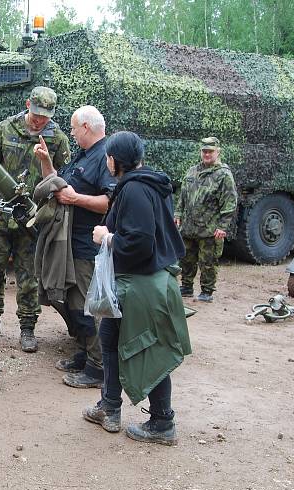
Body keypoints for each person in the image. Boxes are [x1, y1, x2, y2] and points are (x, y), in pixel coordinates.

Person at [84, 131, 190, 446]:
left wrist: (108, 237)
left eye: (108, 157)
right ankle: (110, 408)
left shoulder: (134, 190)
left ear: (115, 160)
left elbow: (140, 241)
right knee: (110, 340)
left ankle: (162, 423)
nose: (106, 162)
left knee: (150, 350)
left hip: (141, 285)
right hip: (150, 282)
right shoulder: (153, 185)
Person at [0, 86, 70, 353]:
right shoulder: (5, 129)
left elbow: (64, 175)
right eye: (37, 113)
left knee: (28, 276)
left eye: (46, 116)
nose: (41, 120)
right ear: (28, 104)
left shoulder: (57, 138)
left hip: (31, 218)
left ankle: (28, 328)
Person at [36, 105, 116, 388]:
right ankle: (84, 351)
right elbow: (62, 185)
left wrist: (76, 200)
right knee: (72, 300)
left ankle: (98, 368)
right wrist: (46, 162)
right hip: (69, 240)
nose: (70, 133)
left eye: (73, 128)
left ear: (85, 127)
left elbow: (109, 201)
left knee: (87, 304)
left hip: (87, 244)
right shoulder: (84, 155)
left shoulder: (105, 157)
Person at [174, 137, 237, 303]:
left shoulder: (223, 175)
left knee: (208, 261)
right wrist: (178, 214)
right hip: (189, 226)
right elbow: (183, 195)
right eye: (204, 151)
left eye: (210, 151)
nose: (207, 154)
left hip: (210, 228)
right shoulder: (192, 171)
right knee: (186, 258)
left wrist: (223, 226)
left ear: (218, 152)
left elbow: (229, 202)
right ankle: (186, 286)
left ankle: (207, 291)